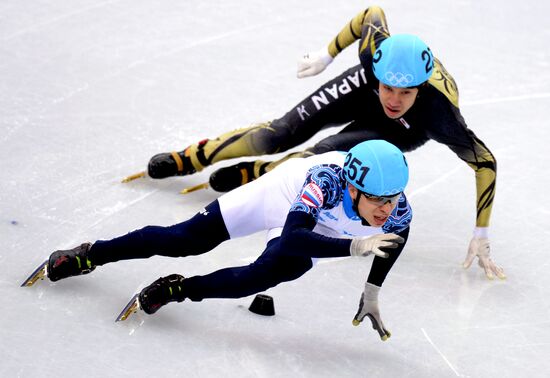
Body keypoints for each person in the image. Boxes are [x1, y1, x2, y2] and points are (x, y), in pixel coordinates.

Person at [140, 6, 503, 280]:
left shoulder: (439, 114)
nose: (393, 99)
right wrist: (326, 54)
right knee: (279, 134)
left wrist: (480, 233)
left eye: (405, 92)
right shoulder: (375, 55)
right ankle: (192, 157)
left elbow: (485, 163)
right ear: (378, 71)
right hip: (362, 88)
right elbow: (370, 13)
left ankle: (261, 173)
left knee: (317, 158)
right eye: (388, 88)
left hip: (405, 130)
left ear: (421, 89)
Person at [31, 140, 411, 340]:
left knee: (259, 277)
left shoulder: (398, 211)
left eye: (390, 199)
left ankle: (178, 288)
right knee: (186, 239)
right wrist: (354, 245)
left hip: (324, 228)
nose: (384, 210)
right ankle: (91, 254)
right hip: (282, 195)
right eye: (376, 199)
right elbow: (295, 236)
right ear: (355, 189)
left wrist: (372, 291)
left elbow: (395, 241)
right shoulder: (326, 181)